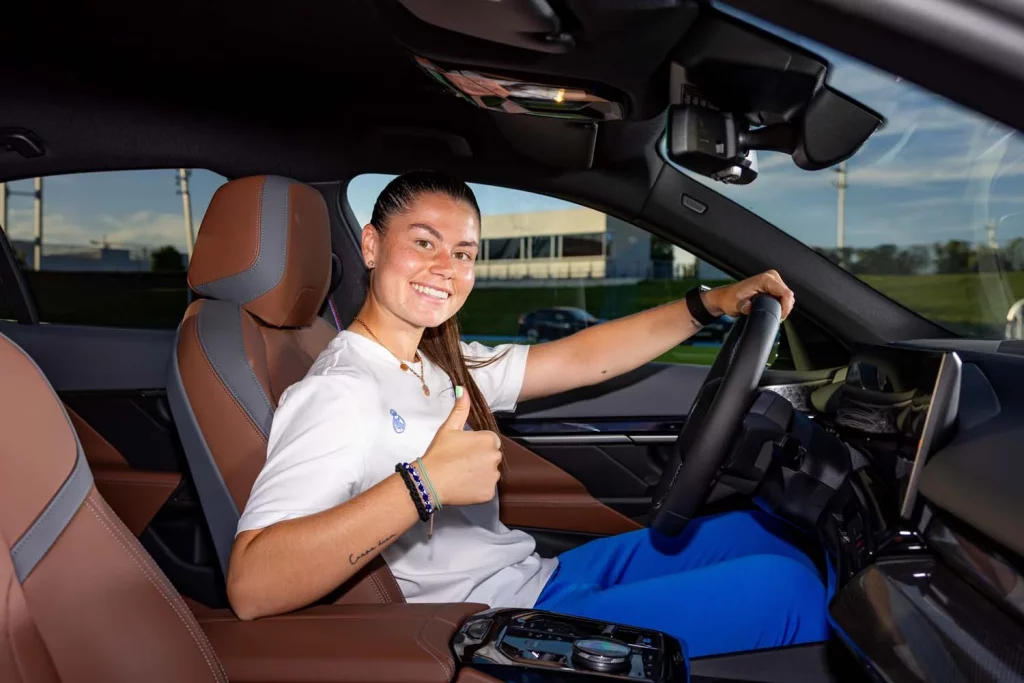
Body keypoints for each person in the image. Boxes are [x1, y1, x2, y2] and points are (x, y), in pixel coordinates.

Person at [226, 170, 827, 657]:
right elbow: (254, 586)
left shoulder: (441, 358)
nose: (446, 267)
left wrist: (707, 304)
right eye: (423, 242)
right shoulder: (338, 391)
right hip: (492, 626)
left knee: (761, 533)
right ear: (372, 244)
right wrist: (423, 485)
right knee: (787, 587)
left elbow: (578, 358)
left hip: (536, 576)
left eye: (463, 252)